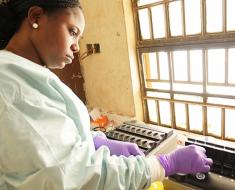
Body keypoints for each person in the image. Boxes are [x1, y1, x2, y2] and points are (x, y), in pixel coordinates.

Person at [0, 0, 213, 190]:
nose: (76, 47)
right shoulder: (11, 86)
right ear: (36, 17)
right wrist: (166, 164)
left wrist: (94, 142)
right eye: (73, 32)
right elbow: (77, 178)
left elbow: (50, 142)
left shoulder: (26, 73)